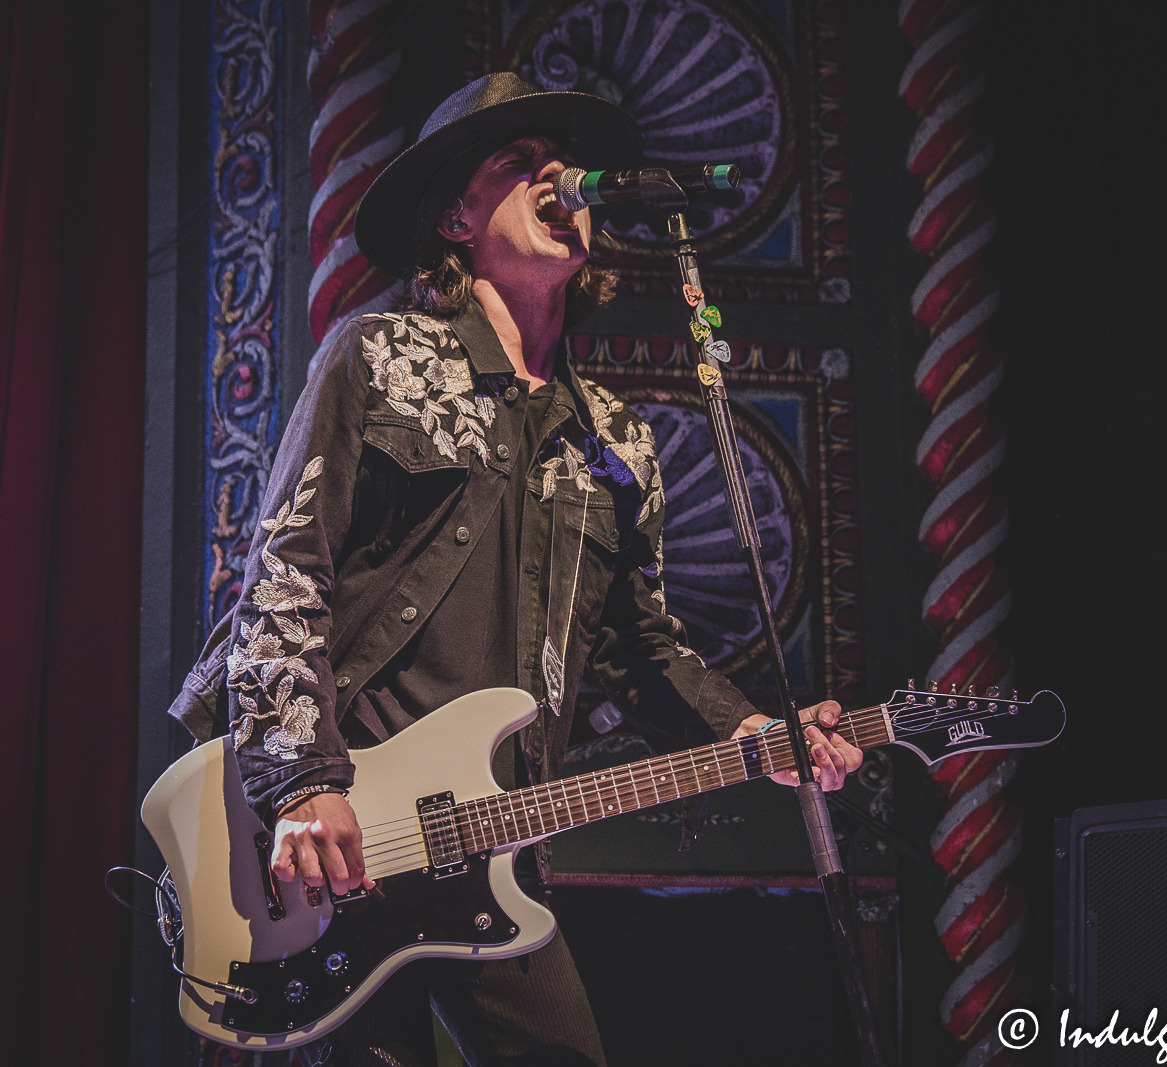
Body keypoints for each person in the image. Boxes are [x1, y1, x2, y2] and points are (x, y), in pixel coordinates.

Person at [214, 72, 863, 1066]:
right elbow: (283, 572)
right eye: (517, 165)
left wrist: (749, 728)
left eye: (562, 167)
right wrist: (303, 782)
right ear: (455, 217)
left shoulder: (616, 440)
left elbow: (644, 644)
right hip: (340, 840)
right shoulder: (378, 359)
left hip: (493, 842)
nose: (555, 179)